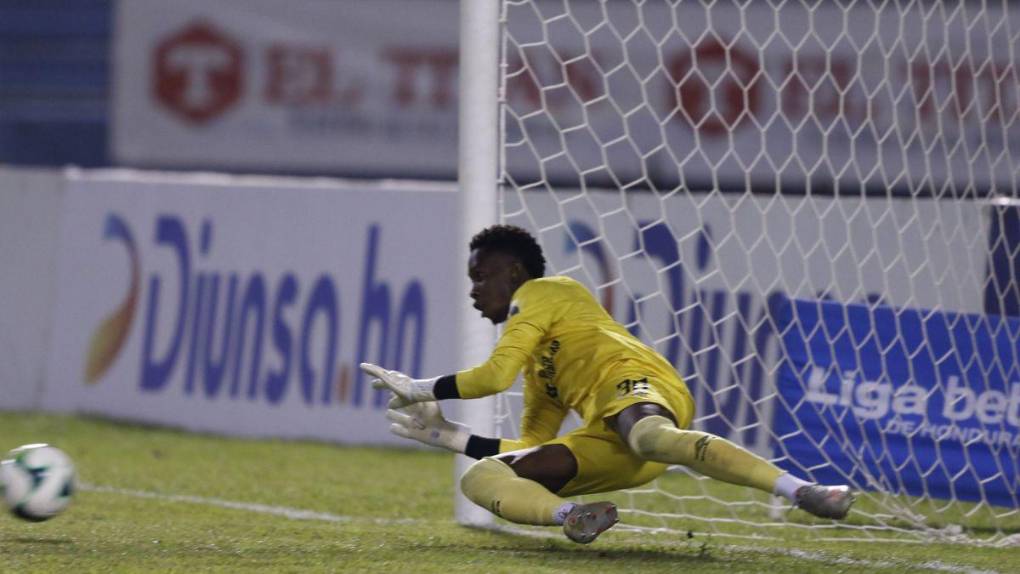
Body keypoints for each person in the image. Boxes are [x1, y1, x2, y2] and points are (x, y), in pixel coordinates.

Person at [361, 224, 855, 544]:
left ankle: (801, 490)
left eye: (481, 276)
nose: (473, 290)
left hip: (639, 388)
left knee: (646, 435)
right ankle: (573, 517)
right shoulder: (540, 371)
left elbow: (493, 376)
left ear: (514, 273)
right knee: (484, 476)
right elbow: (533, 446)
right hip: (615, 444)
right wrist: (449, 437)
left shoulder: (545, 292)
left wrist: (420, 386)